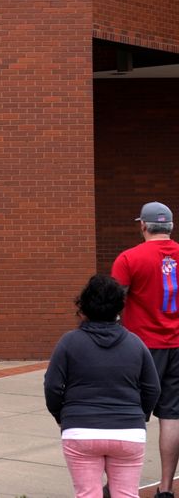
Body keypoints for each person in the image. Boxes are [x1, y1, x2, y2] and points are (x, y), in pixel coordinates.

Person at [44, 274, 160, 498]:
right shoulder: (136, 344)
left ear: (84, 307)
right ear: (119, 309)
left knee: (88, 493)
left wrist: (62, 415)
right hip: (129, 430)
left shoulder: (69, 342)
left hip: (80, 428)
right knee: (126, 494)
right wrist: (139, 414)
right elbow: (152, 389)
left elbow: (52, 386)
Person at [112, 201, 179, 498]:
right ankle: (165, 488)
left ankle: (123, 486)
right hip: (178, 345)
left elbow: (112, 304)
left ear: (143, 226)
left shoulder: (128, 258)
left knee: (132, 415)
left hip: (140, 347)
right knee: (173, 415)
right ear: (170, 227)